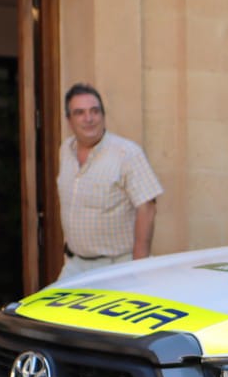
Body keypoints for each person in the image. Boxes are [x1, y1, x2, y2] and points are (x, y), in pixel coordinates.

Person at [56, 83, 163, 279]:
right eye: (80, 113)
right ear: (69, 121)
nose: (88, 119)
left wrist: (138, 268)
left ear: (103, 116)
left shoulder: (126, 153)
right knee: (51, 309)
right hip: (75, 266)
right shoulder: (66, 150)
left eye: (94, 111)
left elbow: (147, 208)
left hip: (118, 267)